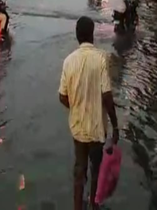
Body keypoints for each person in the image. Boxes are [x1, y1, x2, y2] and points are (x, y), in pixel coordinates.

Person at [59, 16, 119, 210]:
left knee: (79, 170)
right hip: (97, 129)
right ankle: (94, 204)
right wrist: (115, 125)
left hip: (78, 128)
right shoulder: (101, 58)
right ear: (92, 35)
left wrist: (76, 107)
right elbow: (107, 96)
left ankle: (77, 206)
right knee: (96, 170)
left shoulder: (69, 61)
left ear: (77, 36)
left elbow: (62, 96)